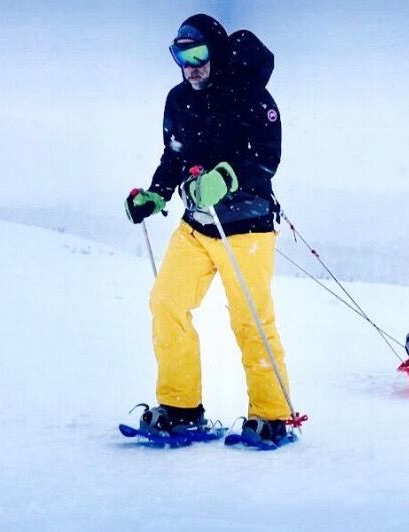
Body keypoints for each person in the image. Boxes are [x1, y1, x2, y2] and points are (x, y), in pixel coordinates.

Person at [124, 14, 291, 445]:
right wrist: (157, 194)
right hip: (197, 226)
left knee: (250, 320)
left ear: (214, 53)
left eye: (198, 54)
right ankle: (182, 409)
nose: (191, 65)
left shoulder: (251, 96)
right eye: (182, 55)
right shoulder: (178, 100)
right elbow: (174, 155)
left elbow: (267, 157)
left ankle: (271, 417)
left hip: (247, 227)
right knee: (166, 303)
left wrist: (227, 177)